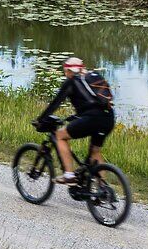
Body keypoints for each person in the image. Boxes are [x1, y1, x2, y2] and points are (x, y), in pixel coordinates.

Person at [33, 55, 117, 193]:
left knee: (60, 136)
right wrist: (75, 117)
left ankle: (69, 175)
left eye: (65, 71)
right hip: (108, 117)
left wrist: (40, 120)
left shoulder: (71, 82)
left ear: (69, 71)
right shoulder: (93, 76)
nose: (65, 74)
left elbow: (55, 104)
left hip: (91, 118)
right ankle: (103, 190)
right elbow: (93, 102)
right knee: (95, 151)